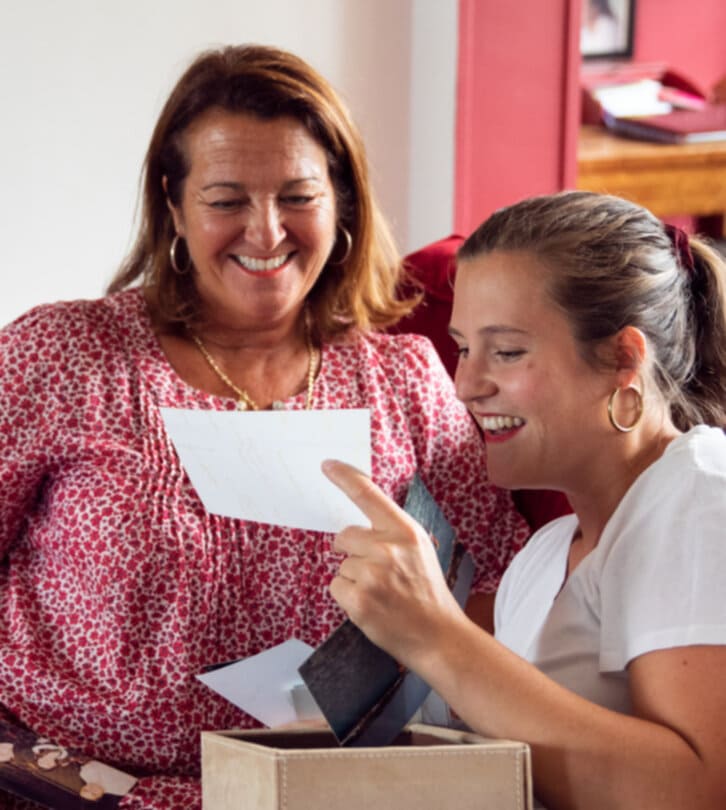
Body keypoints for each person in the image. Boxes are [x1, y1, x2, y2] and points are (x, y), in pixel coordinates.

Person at [0, 44, 529, 809]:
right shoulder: (66, 354)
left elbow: (509, 590)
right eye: (226, 200)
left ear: (342, 200)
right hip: (60, 783)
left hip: (317, 789)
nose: (266, 231)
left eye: (297, 196)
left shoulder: (403, 379)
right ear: (173, 204)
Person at [325, 191, 726, 810]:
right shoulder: (544, 554)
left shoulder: (699, 496)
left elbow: (696, 789)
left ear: (623, 359)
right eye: (461, 348)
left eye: (507, 352)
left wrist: (435, 633)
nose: (465, 385)